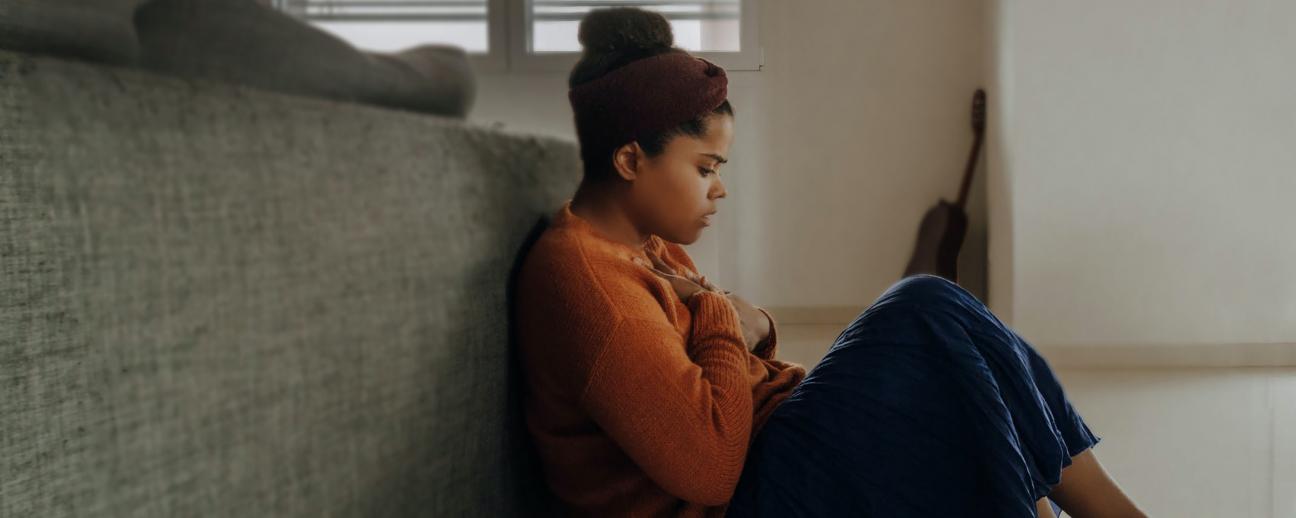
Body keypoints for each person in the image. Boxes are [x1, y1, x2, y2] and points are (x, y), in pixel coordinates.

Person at [513, 7, 1146, 517]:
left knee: (942, 351)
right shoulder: (588, 284)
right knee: (923, 309)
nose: (719, 188)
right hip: (745, 494)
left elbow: (733, 352)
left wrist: (746, 326)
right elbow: (707, 469)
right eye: (705, 169)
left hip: (775, 447)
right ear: (629, 161)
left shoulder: (645, 243)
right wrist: (717, 312)